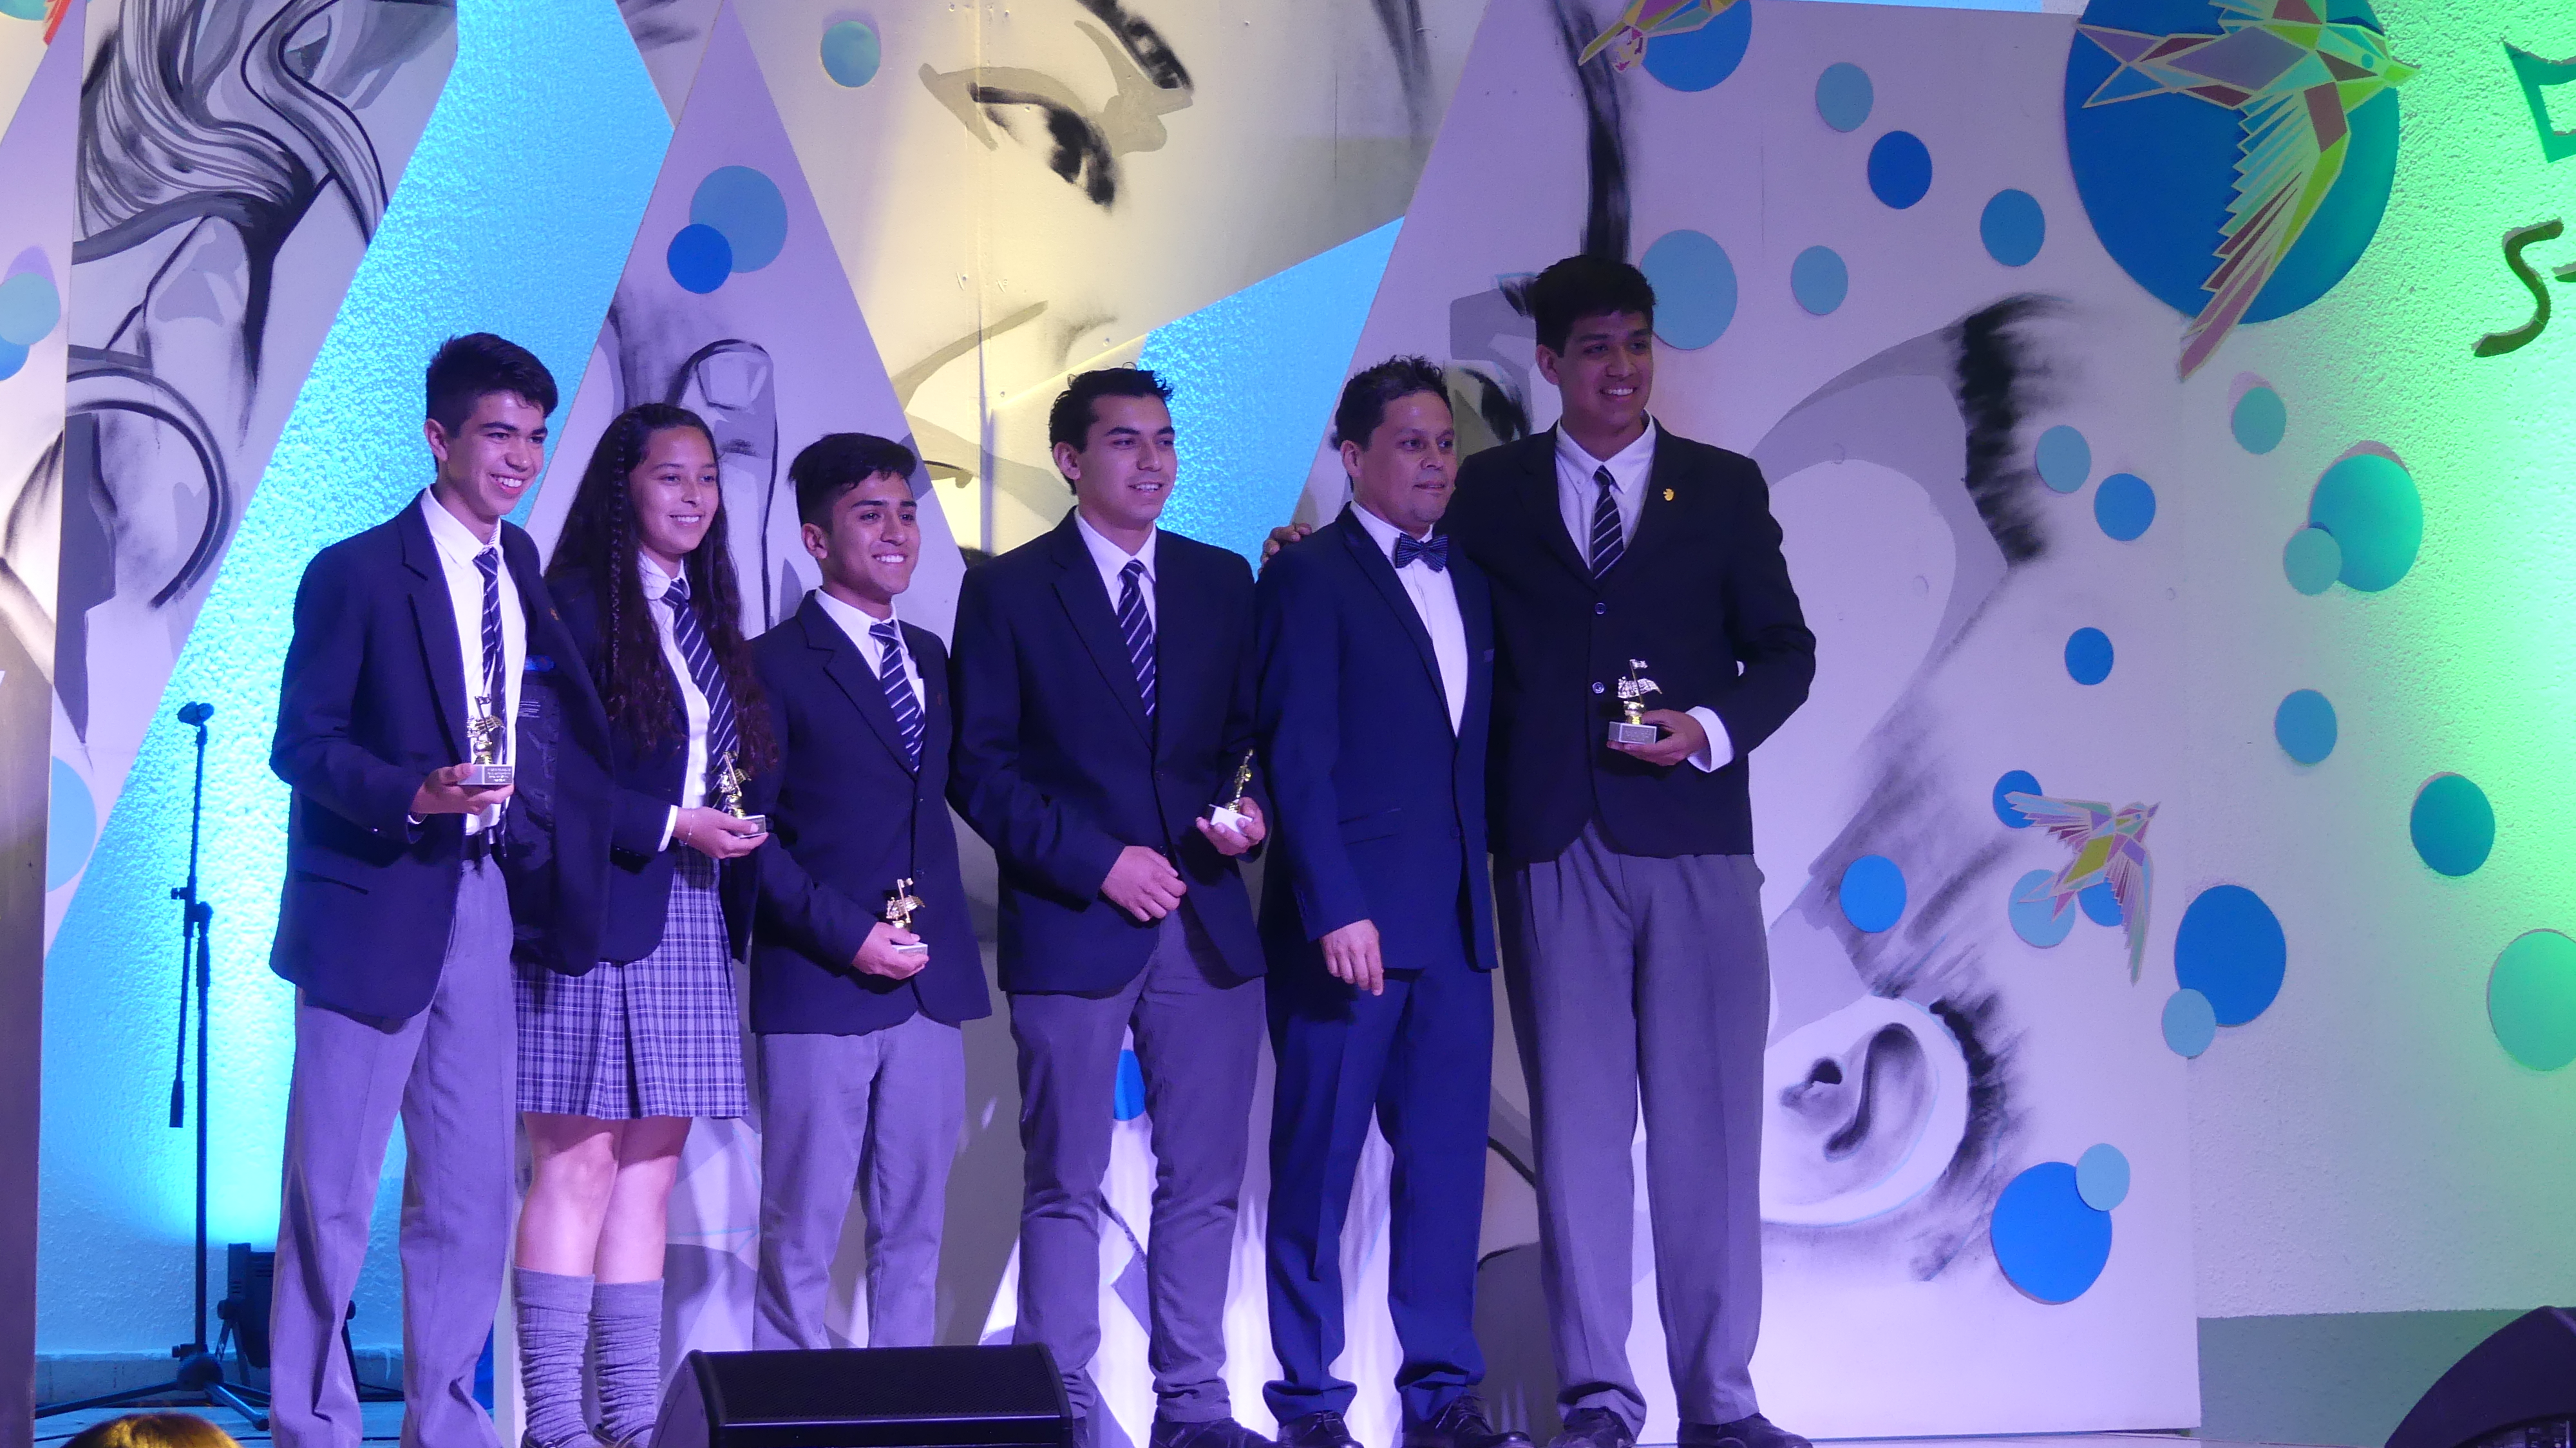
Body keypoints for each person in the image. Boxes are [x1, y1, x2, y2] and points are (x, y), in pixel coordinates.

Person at [1449, 256, 1815, 1448]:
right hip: (1552, 842)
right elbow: (1431, 608)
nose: (1622, 368)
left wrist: (1708, 729)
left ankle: (1722, 1404)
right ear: (1550, 362)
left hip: (1696, 842)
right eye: (1598, 347)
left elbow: (1787, 653)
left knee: (1711, 1136)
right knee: (1579, 1138)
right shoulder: (1491, 491)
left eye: (1638, 344)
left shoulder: (1722, 487)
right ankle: (1600, 1398)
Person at [268, 334, 612, 1448]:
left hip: (484, 901)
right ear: (439, 437)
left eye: (535, 437)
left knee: (470, 1198)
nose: (521, 458)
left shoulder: (523, 570)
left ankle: (449, 1427)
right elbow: (300, 743)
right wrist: (411, 793)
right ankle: (312, 1427)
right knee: (330, 1197)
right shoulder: (358, 571)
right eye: (498, 433)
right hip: (374, 900)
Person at [949, 368, 1271, 1448]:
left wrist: (1248, 813)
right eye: (1126, 441)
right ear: (1071, 460)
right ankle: (1065, 1408)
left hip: (1207, 919)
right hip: (1074, 920)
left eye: (1164, 440)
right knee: (1064, 1181)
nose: (1153, 461)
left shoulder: (1221, 580)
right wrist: (1101, 864)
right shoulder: (1008, 590)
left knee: (1207, 1180)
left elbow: (1247, 742)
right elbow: (980, 769)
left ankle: (1195, 1405)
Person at [1255, 359, 1522, 1448]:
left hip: (1455, 932)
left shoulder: (1474, 582)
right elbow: (1296, 756)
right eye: (1412, 444)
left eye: (1445, 444)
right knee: (1316, 1171)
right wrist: (1333, 905)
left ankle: (1441, 1396)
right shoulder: (1309, 579)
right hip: (1348, 929)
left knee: (1447, 1175)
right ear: (1353, 456)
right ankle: (1309, 1403)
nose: (1435, 463)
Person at [515, 403, 774, 1448]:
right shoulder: (573, 605)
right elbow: (544, 777)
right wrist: (672, 822)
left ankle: (628, 1422)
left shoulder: (703, 614)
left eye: (707, 478)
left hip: (690, 911)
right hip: (593, 908)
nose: (695, 497)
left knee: (652, 1170)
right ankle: (554, 1422)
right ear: (624, 487)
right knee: (576, 1163)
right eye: (672, 477)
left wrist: (727, 821)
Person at [746, 433, 992, 1349]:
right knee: (802, 1231)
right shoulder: (768, 663)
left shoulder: (929, 654)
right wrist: (850, 936)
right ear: (816, 539)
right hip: (823, 981)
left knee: (914, 1230)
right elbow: (747, 839)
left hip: (931, 982)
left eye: (906, 513)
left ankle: (907, 1406)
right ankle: (789, 1405)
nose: (895, 533)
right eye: (868, 514)